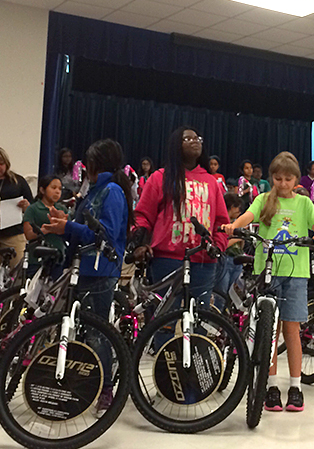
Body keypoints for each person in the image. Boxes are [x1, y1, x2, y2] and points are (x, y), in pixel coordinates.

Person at [225, 151, 314, 413]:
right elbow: (249, 216)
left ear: (296, 180)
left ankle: (295, 387)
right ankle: (270, 386)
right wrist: (234, 225)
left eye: (288, 179)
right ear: (272, 178)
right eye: (278, 178)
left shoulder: (304, 204)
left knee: (292, 330)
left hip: (296, 273)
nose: (283, 183)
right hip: (267, 272)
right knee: (269, 331)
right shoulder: (263, 200)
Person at [42, 138, 131, 416]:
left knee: (96, 333)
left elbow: (106, 234)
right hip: (81, 269)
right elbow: (84, 227)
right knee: (80, 331)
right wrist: (64, 222)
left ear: (94, 164)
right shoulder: (94, 191)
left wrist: (68, 226)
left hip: (100, 270)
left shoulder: (112, 190)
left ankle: (106, 391)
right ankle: (84, 382)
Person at [133, 127, 229, 308]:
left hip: (203, 261)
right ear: (176, 145)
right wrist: (140, 243)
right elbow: (143, 216)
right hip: (167, 260)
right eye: (188, 139)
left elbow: (222, 222)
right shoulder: (160, 177)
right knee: (164, 322)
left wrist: (217, 246)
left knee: (200, 321)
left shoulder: (211, 182)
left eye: (197, 138)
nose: (195, 141)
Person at [0, 147, 33, 286]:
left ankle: (13, 304)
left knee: (16, 272)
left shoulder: (17, 181)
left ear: (7, 164)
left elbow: (31, 205)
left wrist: (26, 206)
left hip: (13, 233)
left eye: (1, 164)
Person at [23, 175, 68, 279]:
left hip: (57, 257)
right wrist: (46, 229)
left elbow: (69, 232)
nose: (57, 191)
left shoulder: (62, 210)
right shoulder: (33, 209)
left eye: (60, 189)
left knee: (52, 292)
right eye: (53, 188)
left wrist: (63, 221)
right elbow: (28, 234)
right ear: (42, 190)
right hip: (37, 258)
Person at [213, 192, 245, 307]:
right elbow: (222, 245)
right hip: (225, 260)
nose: (239, 211)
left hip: (237, 260)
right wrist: (237, 238)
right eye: (237, 208)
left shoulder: (237, 223)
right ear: (231, 207)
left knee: (233, 297)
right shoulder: (222, 224)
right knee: (221, 295)